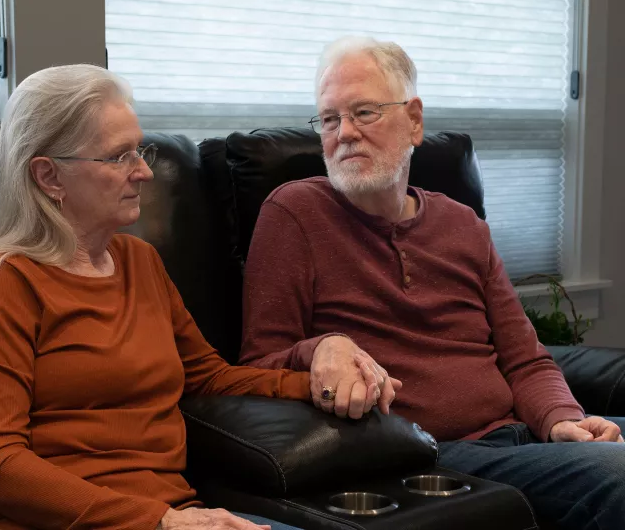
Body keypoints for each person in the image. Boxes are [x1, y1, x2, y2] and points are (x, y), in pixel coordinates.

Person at [240, 36, 625, 530]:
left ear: (414, 120)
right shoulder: (295, 214)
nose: (345, 133)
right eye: (330, 119)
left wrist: (562, 418)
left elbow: (525, 357)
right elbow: (255, 368)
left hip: (523, 437)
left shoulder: (463, 224)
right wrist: (319, 350)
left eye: (365, 112)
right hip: (434, 456)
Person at [0, 64, 324, 530]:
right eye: (119, 157)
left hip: (171, 516)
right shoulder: (0, 283)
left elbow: (210, 378)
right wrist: (158, 520)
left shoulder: (141, 261)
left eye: (140, 150)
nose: (144, 172)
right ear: (48, 176)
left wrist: (320, 383)